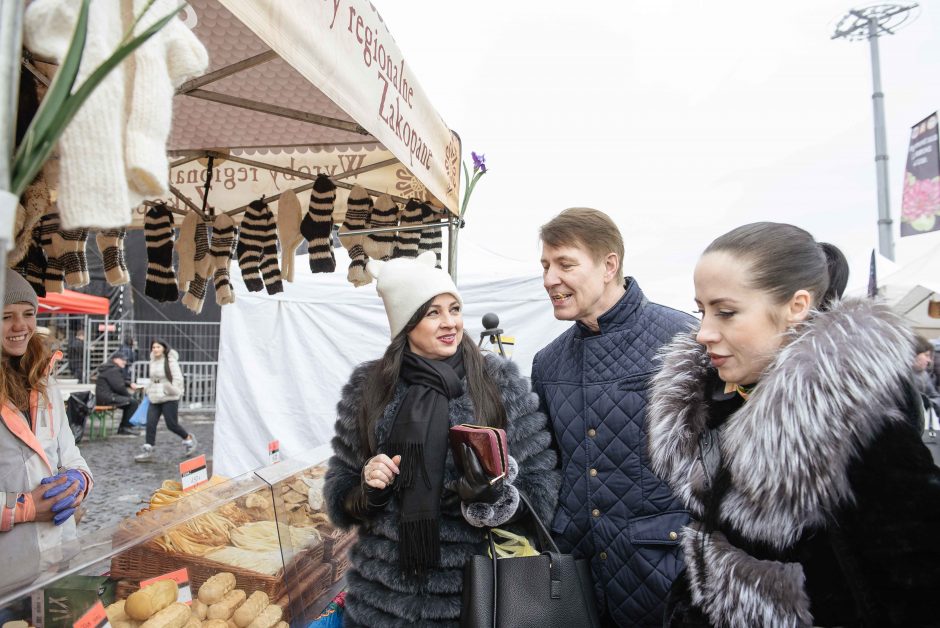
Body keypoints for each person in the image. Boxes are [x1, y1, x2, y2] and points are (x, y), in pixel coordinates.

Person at [647, 222, 940, 627]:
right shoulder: (716, 404)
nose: (703, 333)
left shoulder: (860, 430)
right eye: (702, 311)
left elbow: (916, 591)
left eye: (726, 312)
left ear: (797, 306)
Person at [323, 251, 560, 627]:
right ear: (406, 322)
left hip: (477, 600)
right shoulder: (369, 389)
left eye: (454, 309)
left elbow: (543, 490)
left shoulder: (496, 382)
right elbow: (339, 496)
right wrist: (369, 488)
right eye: (432, 312)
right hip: (381, 605)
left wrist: (496, 497)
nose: (450, 323)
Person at [530, 207, 694, 626]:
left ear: (608, 265)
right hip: (579, 577)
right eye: (546, 266)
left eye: (565, 264)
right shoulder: (548, 363)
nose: (550, 279)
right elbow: (547, 467)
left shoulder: (683, 339)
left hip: (667, 572)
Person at [0, 270, 93, 589]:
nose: (20, 326)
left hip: (58, 557)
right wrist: (23, 509)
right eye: (6, 316)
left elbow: (72, 456)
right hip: (6, 573)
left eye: (27, 314)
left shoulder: (45, 384)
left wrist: (77, 483)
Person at [134, 339, 195, 462]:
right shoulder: (152, 361)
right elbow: (153, 379)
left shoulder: (170, 360)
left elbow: (178, 378)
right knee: (151, 423)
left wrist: (171, 390)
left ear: (163, 348)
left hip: (169, 396)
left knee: (171, 424)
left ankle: (188, 438)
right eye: (153, 347)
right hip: (154, 396)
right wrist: (146, 389)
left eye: (158, 347)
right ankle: (148, 448)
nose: (155, 349)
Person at [95, 352, 139, 436]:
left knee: (130, 402)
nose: (125, 362)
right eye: (122, 360)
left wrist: (129, 383)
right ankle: (125, 427)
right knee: (132, 402)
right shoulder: (113, 369)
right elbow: (119, 387)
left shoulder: (110, 368)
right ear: (115, 360)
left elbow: (116, 382)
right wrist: (129, 396)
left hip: (104, 397)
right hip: (107, 398)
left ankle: (125, 427)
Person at [914, 334, 940, 433]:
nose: (929, 360)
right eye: (926, 355)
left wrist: (931, 403)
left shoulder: (923, 375)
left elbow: (935, 396)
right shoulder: (898, 378)